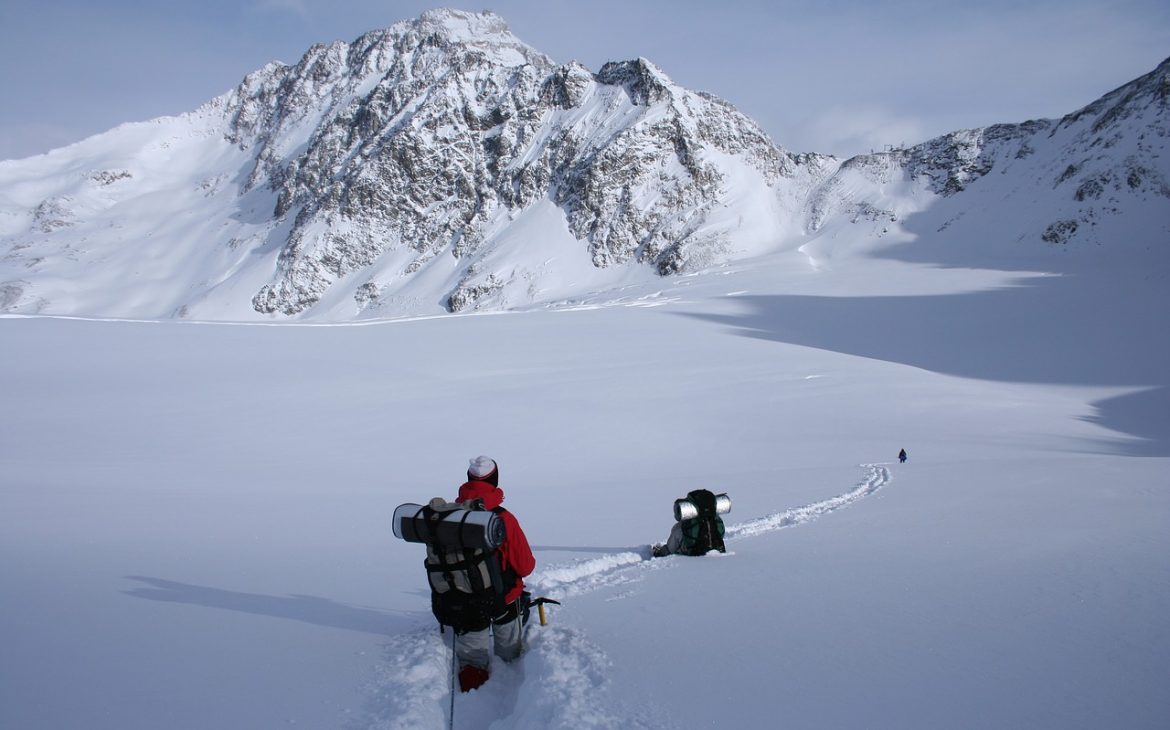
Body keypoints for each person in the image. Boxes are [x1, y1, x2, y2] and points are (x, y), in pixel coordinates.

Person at [452, 456, 535, 692]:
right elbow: (525, 566)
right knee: (511, 656)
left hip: (463, 601)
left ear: (468, 479)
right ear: (495, 480)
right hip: (503, 601)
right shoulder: (504, 518)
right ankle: (512, 693)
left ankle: (473, 694)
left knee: (471, 663)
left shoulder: (450, 516)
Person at [651, 488, 727, 557]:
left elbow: (671, 548)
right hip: (716, 548)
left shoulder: (681, 526)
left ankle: (660, 552)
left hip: (694, 552)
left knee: (677, 532)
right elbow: (721, 533)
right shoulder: (716, 520)